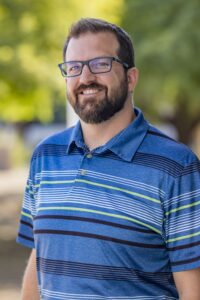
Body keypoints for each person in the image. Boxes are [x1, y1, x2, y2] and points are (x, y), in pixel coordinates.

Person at [17, 18, 200, 300]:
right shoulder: (46, 156)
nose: (85, 77)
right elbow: (38, 256)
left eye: (100, 64)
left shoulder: (176, 167)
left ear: (130, 78)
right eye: (74, 67)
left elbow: (193, 289)